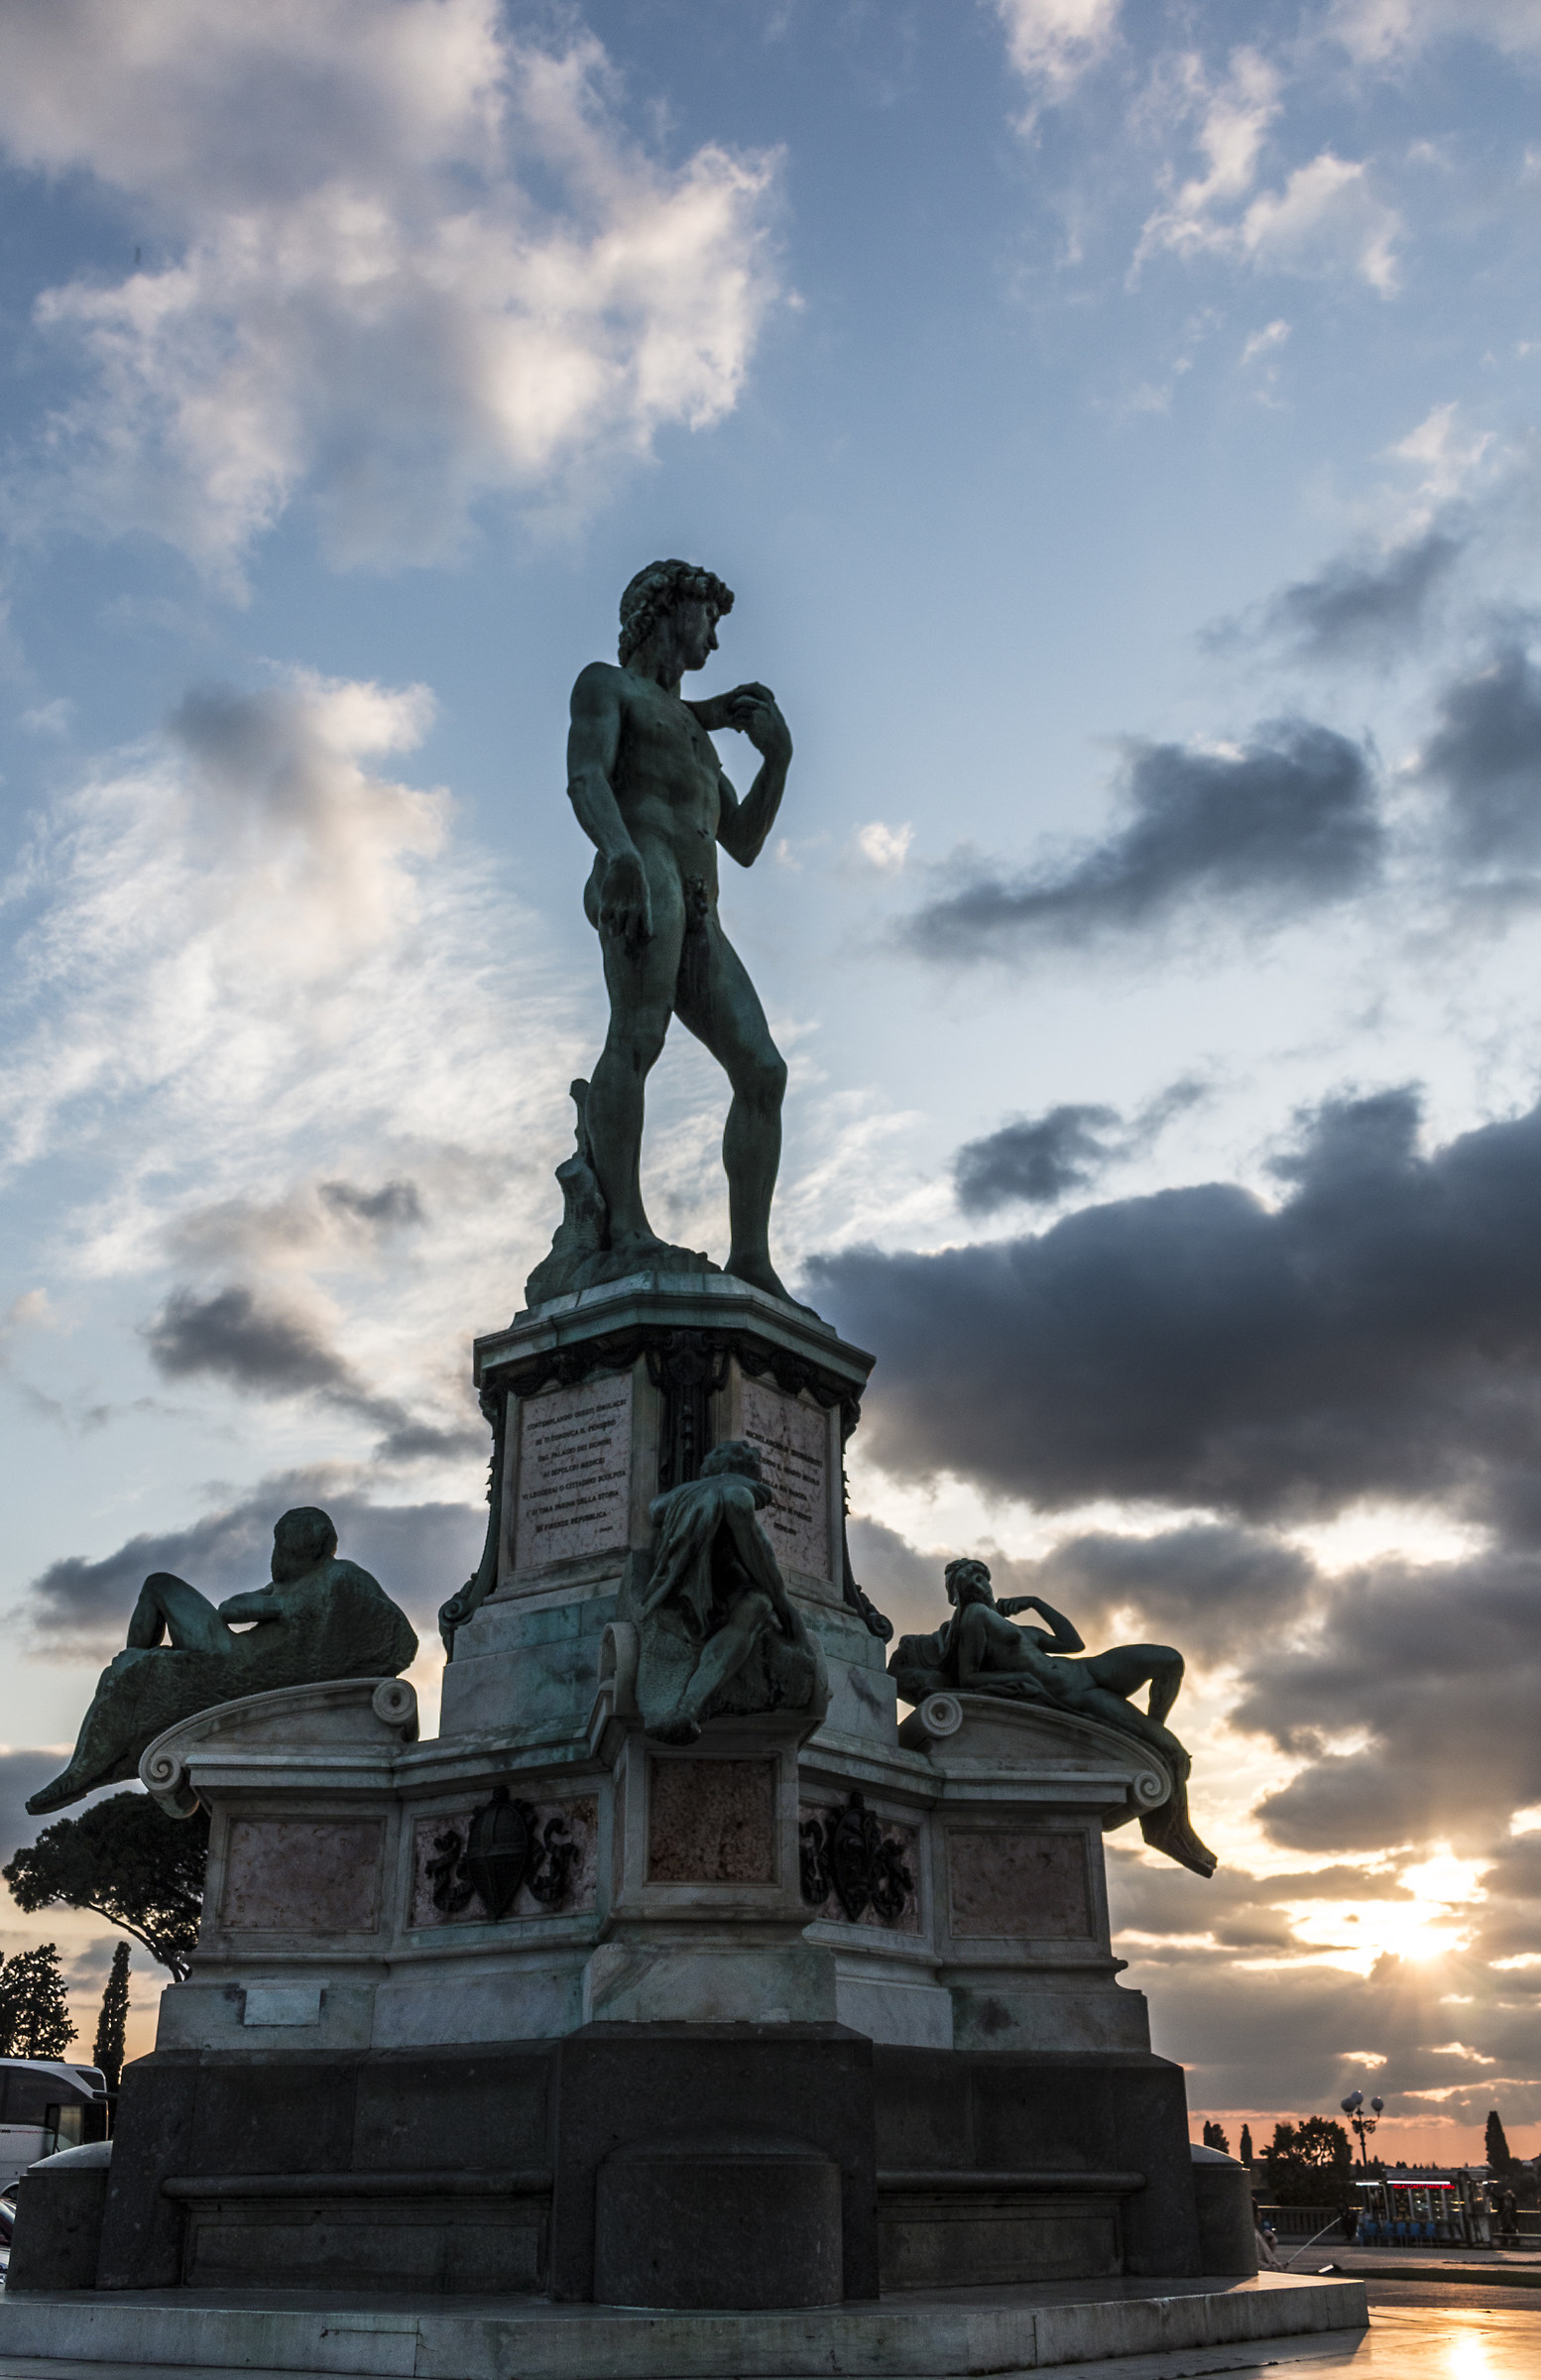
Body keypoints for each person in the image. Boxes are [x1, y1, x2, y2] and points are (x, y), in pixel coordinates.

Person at [565, 560, 796, 1302]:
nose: (717, 640)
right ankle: (624, 1227)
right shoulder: (607, 684)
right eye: (711, 620)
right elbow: (586, 777)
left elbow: (746, 840)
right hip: (644, 873)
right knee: (637, 1039)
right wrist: (620, 853)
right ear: (668, 611)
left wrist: (779, 759)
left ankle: (752, 1262)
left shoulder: (697, 735)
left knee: (762, 1071)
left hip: (702, 904)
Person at [28, 1508, 418, 1814]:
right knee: (150, 1605)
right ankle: (132, 1668)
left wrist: (277, 1604)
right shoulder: (301, 1581)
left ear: (296, 1546)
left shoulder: (335, 1579)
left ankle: (82, 1768)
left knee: (158, 1586)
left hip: (234, 1663)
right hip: (239, 1657)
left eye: (280, 1545)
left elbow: (235, 1609)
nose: (275, 1555)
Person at [889, 1558, 1217, 1877]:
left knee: (1169, 1661)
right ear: (956, 1595)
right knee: (1172, 1751)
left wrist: (1035, 1602)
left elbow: (1073, 1643)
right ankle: (1172, 1830)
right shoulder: (973, 1617)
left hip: (1088, 1669)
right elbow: (969, 1676)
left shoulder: (1013, 1626)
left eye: (981, 1578)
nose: (978, 1586)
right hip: (1078, 1695)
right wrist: (1017, 1682)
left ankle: (1150, 1741)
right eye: (968, 1582)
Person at [627, 1440, 827, 1743]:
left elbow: (657, 1510)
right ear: (749, 1473)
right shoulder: (736, 1495)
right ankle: (689, 1705)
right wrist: (786, 1609)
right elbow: (761, 1559)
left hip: (677, 1589)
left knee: (753, 1604)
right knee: (758, 1605)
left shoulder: (676, 1498)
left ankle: (687, 1708)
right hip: (712, 1594)